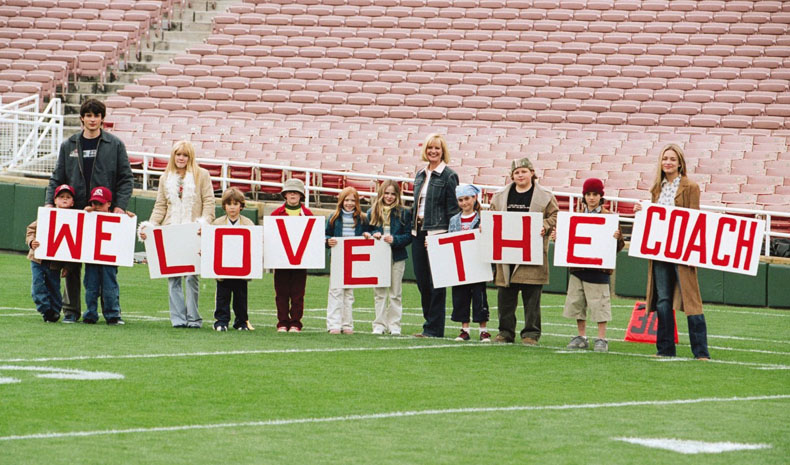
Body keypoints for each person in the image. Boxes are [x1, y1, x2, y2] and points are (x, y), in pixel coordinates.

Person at [45, 98, 133, 323]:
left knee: (105, 268)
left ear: (102, 118)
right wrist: (49, 203)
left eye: (97, 115)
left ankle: (112, 313)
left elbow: (126, 179)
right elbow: (57, 177)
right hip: (74, 213)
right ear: (82, 118)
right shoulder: (69, 144)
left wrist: (119, 207)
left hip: (104, 215)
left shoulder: (115, 145)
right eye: (89, 115)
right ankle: (71, 311)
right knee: (70, 265)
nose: (93, 120)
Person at [633, 144, 710, 360]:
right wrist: (642, 210)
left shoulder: (690, 187)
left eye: (672, 159)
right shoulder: (656, 188)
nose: (668, 162)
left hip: (682, 250)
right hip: (659, 250)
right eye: (665, 159)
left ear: (680, 163)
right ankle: (665, 348)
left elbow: (694, 218)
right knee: (663, 299)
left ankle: (701, 351)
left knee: (691, 299)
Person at [138, 140, 215, 329]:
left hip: (192, 231)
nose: (181, 158)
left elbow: (209, 202)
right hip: (171, 231)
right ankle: (178, 319)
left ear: (190, 157)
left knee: (191, 277)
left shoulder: (202, 175)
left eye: (185, 155)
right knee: (173, 279)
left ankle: (194, 318)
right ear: (173, 156)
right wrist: (150, 225)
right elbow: (160, 206)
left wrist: (204, 223)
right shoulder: (166, 177)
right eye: (178, 154)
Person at [490, 158, 558, 345]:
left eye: (524, 171)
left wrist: (545, 225)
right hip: (506, 251)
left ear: (532, 173)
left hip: (532, 251)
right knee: (505, 296)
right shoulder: (500, 195)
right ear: (512, 175)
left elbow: (555, 214)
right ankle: (505, 332)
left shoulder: (545, 196)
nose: (520, 175)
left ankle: (531, 333)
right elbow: (492, 216)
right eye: (517, 172)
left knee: (532, 297)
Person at [559, 178, 624, 353]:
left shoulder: (609, 218)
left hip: (598, 269)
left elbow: (618, 247)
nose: (591, 198)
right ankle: (581, 335)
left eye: (595, 194)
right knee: (577, 303)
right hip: (578, 268)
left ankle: (602, 338)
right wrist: (560, 238)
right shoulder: (576, 216)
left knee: (599, 304)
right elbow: (568, 241)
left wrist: (617, 238)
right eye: (588, 194)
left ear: (601, 196)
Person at [411, 133, 460, 338]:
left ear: (443, 152)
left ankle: (434, 327)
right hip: (418, 231)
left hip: (437, 232)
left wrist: (446, 236)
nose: (433, 151)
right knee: (422, 281)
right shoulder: (420, 174)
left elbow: (453, 209)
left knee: (436, 283)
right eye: (430, 148)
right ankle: (428, 323)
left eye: (437, 148)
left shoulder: (449, 175)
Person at [26, 184, 79, 323]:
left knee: (54, 287)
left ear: (73, 202)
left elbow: (75, 245)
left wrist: (68, 266)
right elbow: (31, 230)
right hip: (38, 258)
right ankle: (46, 310)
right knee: (37, 286)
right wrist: (32, 242)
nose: (64, 200)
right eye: (61, 197)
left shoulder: (75, 220)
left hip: (55, 261)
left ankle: (54, 312)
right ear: (55, 200)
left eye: (68, 197)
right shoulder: (46, 215)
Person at [366, 180, 412, 336]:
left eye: (393, 194)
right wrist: (373, 235)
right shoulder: (371, 212)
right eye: (386, 193)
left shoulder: (404, 213)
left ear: (397, 195)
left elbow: (408, 236)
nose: (389, 196)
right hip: (378, 256)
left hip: (397, 256)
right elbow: (366, 232)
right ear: (381, 194)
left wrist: (395, 240)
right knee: (379, 292)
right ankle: (379, 324)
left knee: (395, 292)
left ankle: (394, 324)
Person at [448, 184, 491, 342]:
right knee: (461, 296)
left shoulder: (483, 218)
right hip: (460, 265)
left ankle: (483, 330)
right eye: (460, 200)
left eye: (467, 198)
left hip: (478, 264)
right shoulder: (454, 220)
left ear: (474, 198)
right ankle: (464, 329)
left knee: (480, 296)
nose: (464, 203)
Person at [270, 178, 314, 333]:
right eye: (290, 192)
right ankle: (282, 322)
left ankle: (296, 322)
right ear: (285, 195)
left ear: (301, 195)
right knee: (281, 293)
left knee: (297, 293)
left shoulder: (308, 215)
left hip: (300, 260)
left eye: (296, 192)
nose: (293, 194)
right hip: (281, 259)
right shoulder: (275, 214)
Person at [82, 186, 129, 325]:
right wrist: (86, 212)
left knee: (110, 287)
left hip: (108, 258)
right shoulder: (88, 216)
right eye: (94, 203)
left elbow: (126, 225)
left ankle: (113, 314)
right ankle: (90, 314)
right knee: (90, 287)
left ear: (109, 203)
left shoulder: (116, 217)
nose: (96, 207)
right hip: (91, 256)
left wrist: (128, 216)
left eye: (100, 204)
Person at [211, 187, 255, 332]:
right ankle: (221, 321)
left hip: (241, 267)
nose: (232, 207)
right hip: (223, 268)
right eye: (229, 204)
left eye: (235, 204)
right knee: (222, 295)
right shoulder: (217, 223)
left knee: (241, 296)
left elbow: (254, 243)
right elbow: (211, 243)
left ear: (241, 206)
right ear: (224, 206)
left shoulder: (248, 223)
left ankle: (241, 321)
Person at [325, 187, 367, 335]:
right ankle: (333, 324)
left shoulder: (362, 218)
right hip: (337, 257)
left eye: (352, 200)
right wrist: (328, 241)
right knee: (335, 291)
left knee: (349, 292)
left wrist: (368, 234)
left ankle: (347, 324)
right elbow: (325, 235)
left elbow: (371, 232)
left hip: (353, 258)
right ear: (341, 201)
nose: (349, 203)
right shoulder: (333, 218)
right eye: (346, 200)